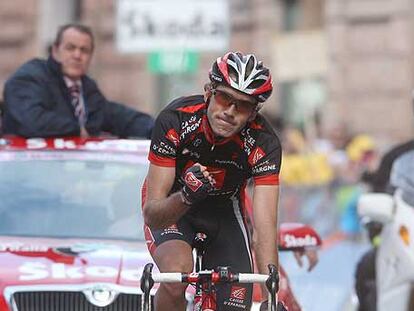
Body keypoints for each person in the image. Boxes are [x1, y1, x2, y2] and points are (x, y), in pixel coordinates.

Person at [142, 52, 317, 311]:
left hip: (224, 211)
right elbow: (153, 214)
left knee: (237, 303)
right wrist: (187, 196)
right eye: (225, 98)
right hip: (174, 206)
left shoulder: (264, 143)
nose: (230, 112)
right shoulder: (175, 119)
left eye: (243, 105)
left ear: (253, 113)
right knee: (177, 276)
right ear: (208, 92)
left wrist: (272, 291)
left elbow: (264, 225)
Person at [2, 23, 154, 139]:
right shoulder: (30, 78)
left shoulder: (87, 88)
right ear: (55, 50)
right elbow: (31, 121)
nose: (77, 55)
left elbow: (116, 117)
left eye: (84, 50)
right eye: (70, 48)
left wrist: (159, 130)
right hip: (27, 170)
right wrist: (77, 129)